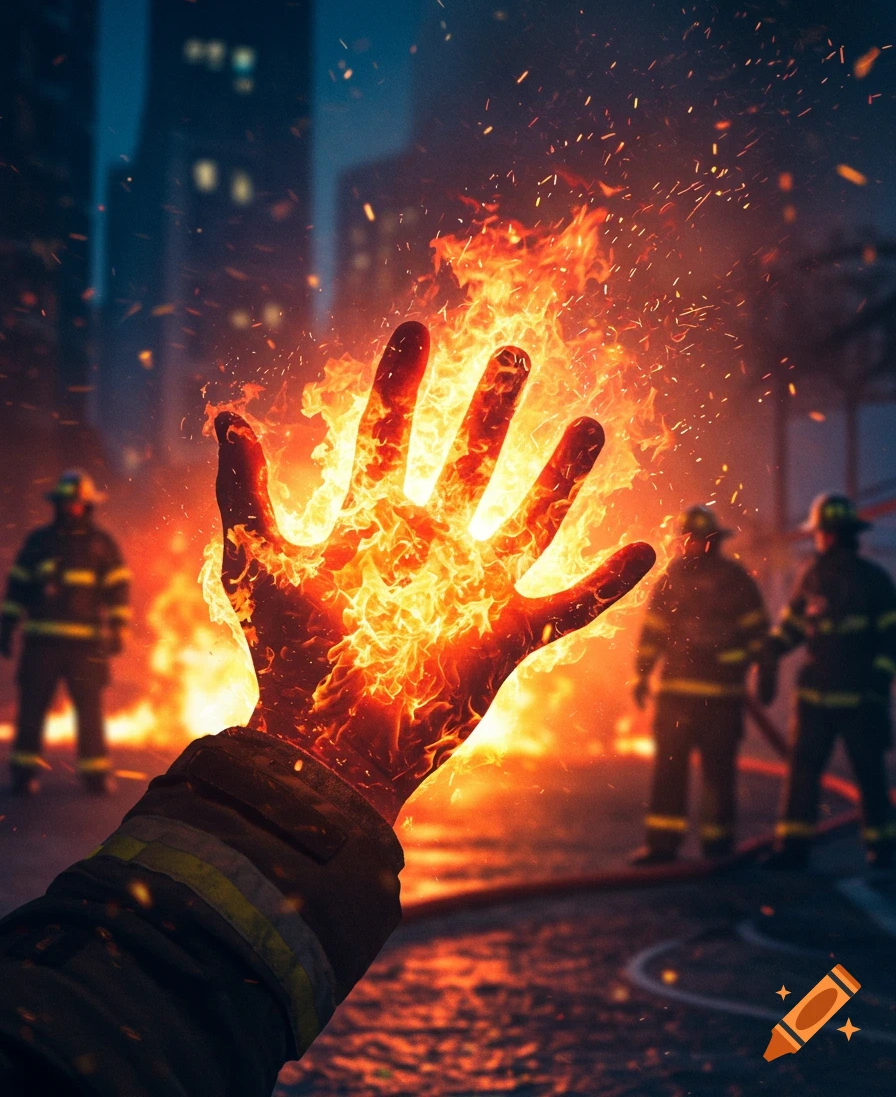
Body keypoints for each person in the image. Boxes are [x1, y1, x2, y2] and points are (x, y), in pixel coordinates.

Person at [0, 323, 654, 1095]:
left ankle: (71, 768)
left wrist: (314, 743)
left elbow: (99, 1015)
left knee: (75, 724)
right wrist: (329, 757)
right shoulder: (48, 547)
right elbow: (112, 1026)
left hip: (76, 659)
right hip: (56, 656)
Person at [630, 504, 770, 865]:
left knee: (714, 775)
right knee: (673, 772)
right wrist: (642, 675)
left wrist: (644, 676)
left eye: (695, 539)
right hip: (688, 697)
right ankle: (667, 846)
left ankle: (714, 847)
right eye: (689, 539)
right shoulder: (728, 579)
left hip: (710, 699)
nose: (691, 545)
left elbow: (758, 636)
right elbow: (654, 634)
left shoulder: (694, 579)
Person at [763, 493, 896, 870]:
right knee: (813, 775)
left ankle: (878, 847)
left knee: (859, 776)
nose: (819, 541)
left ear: (831, 535)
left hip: (852, 700)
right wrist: (769, 651)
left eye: (821, 534)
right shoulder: (815, 576)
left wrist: (877, 683)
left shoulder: (871, 582)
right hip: (826, 700)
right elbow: (791, 629)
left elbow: (891, 640)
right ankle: (798, 848)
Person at [0, 470, 131, 795]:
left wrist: (117, 627)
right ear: (58, 504)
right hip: (41, 645)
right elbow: (18, 588)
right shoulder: (39, 543)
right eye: (67, 502)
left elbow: (118, 589)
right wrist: (6, 625)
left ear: (87, 506)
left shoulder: (102, 545)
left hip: (85, 647)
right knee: (31, 710)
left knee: (89, 712)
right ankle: (23, 774)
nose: (72, 507)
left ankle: (95, 776)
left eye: (78, 503)